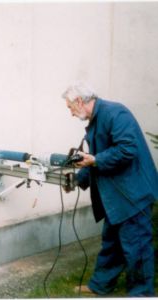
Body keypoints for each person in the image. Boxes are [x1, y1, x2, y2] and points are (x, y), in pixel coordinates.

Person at [62, 82, 158, 297]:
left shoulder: (116, 113)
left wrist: (94, 160)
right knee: (112, 244)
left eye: (69, 107)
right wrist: (77, 180)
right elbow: (95, 159)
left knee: (137, 248)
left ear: (79, 101)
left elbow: (126, 149)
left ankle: (142, 293)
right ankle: (101, 286)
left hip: (133, 195)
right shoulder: (97, 119)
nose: (70, 113)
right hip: (117, 197)